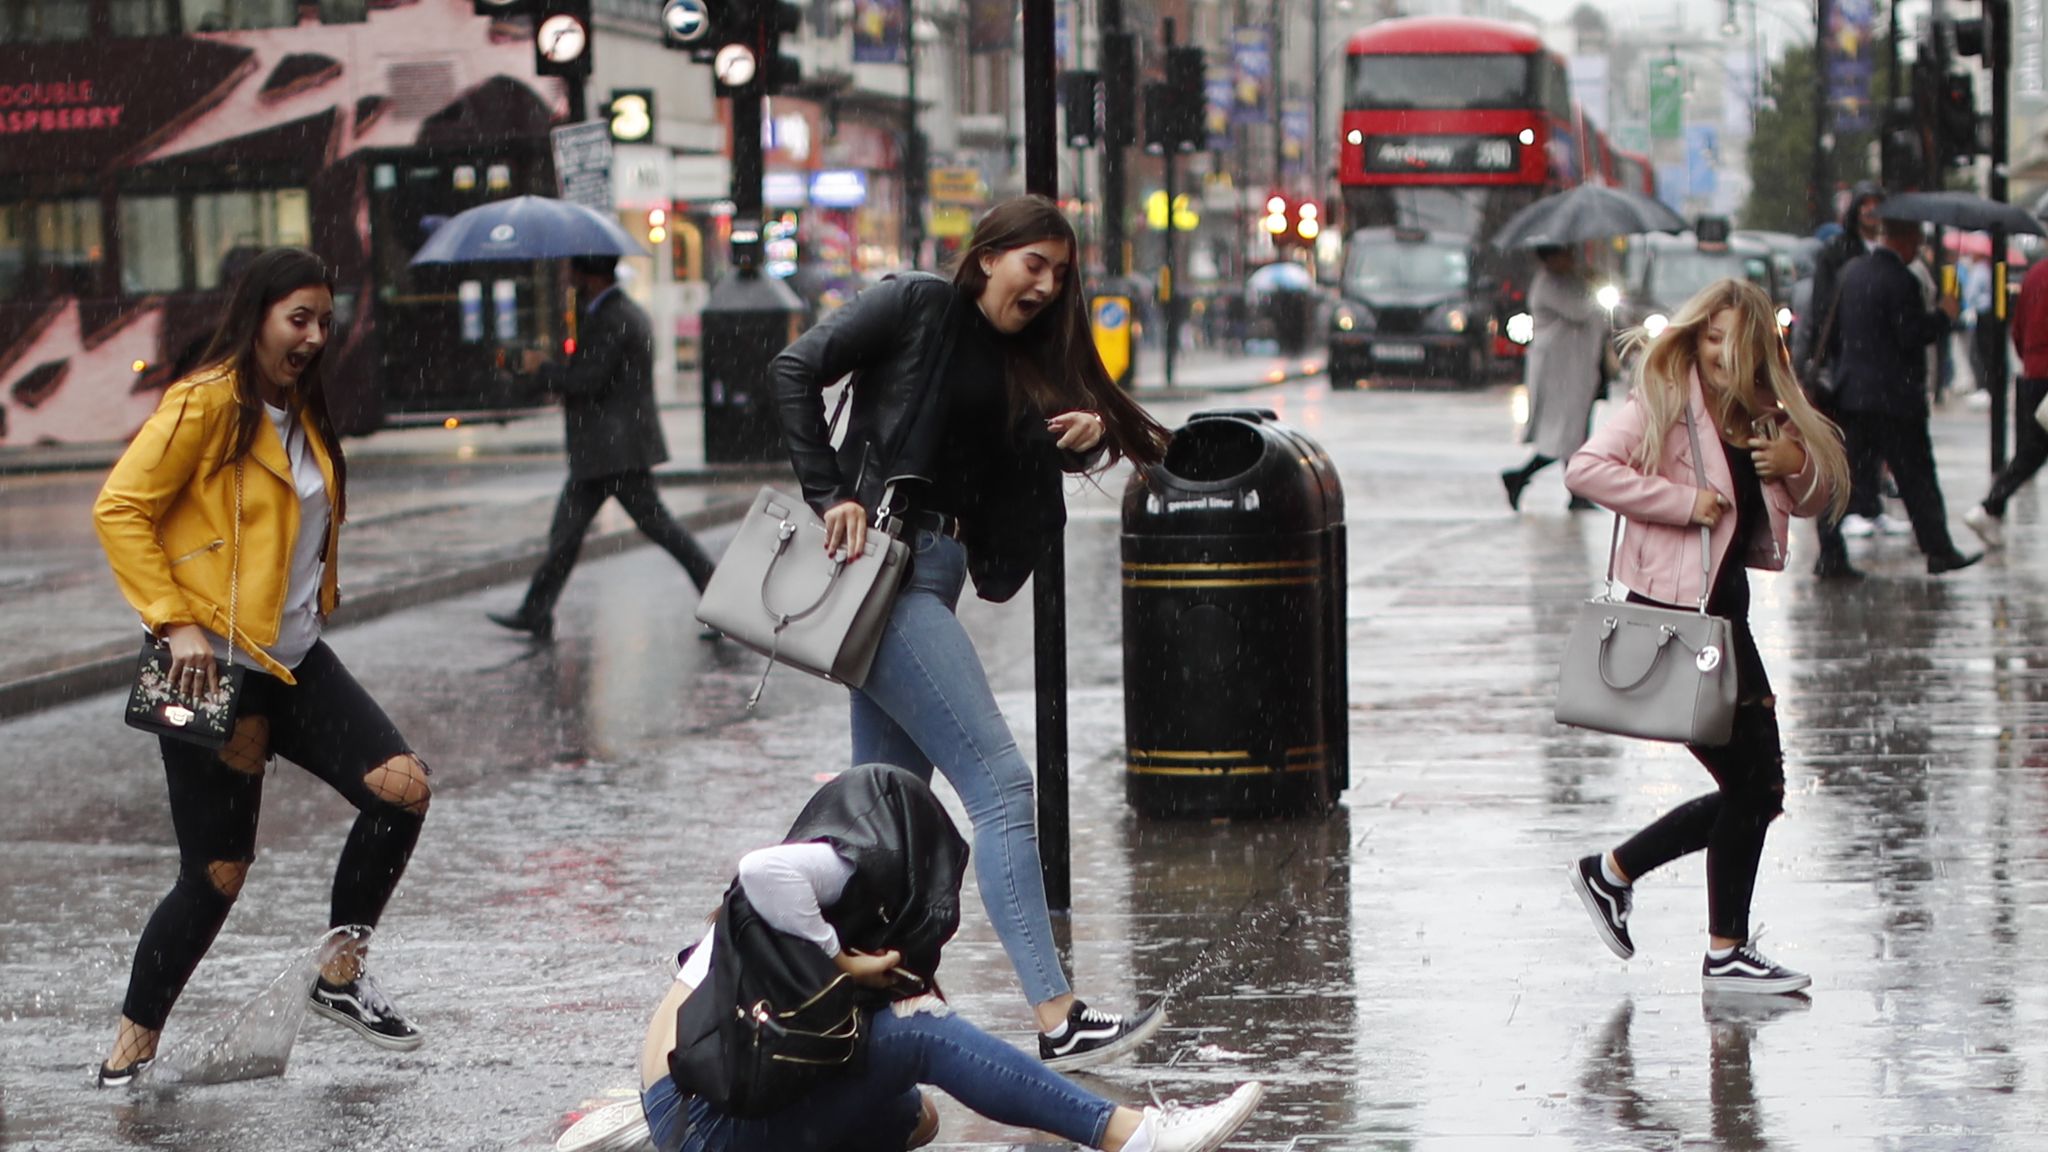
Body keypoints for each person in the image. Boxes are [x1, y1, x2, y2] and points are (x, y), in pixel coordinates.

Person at [768, 196, 1171, 1068]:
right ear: (986, 255)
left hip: (935, 576)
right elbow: (793, 369)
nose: (1048, 284)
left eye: (1061, 274)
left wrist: (1083, 440)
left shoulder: (1019, 361)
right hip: (889, 571)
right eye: (1035, 262)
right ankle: (1057, 1014)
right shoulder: (913, 303)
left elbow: (1002, 479)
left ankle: (793, 997)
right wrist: (829, 491)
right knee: (1000, 785)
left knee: (880, 824)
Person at [92, 248, 432, 1085]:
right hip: (209, 669)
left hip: (293, 662)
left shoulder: (302, 407)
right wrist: (175, 624)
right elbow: (120, 508)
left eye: (325, 319)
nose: (315, 336)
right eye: (298, 319)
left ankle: (339, 976)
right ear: (257, 318)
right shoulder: (207, 404)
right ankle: (128, 1053)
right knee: (215, 876)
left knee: (402, 791)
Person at [637, 765, 1264, 1152]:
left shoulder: (777, 922)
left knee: (915, 1116)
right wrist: (841, 963)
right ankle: (1136, 1135)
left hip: (693, 1105)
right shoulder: (833, 868)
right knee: (920, 1035)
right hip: (697, 1121)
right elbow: (760, 866)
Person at [1563, 278, 1850, 995]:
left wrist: (1798, 465)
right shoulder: (1666, 401)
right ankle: (1710, 941)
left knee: (1758, 786)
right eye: (1712, 338)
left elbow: (1808, 502)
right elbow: (1587, 468)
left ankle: (1619, 877)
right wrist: (1682, 501)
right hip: (1678, 621)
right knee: (1755, 787)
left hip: (1728, 620)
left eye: (1736, 342)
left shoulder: (1762, 414)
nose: (1721, 354)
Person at [489, 255, 717, 641]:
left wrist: (542, 367)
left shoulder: (612, 318)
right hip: (610, 449)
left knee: (656, 528)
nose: (569, 278)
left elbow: (587, 380)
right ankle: (535, 611)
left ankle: (720, 602)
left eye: (574, 272)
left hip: (613, 451)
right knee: (568, 533)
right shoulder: (623, 311)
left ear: (587, 275)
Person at [1828, 217, 1980, 574]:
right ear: (1906, 238)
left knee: (1843, 475)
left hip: (1852, 394)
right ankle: (1938, 550)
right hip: (1894, 400)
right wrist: (1943, 316)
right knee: (1917, 478)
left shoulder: (1852, 272)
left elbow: (1832, 327)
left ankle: (1830, 551)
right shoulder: (1901, 280)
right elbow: (1910, 335)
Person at [1798, 184, 1886, 577]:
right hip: (1840, 377)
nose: (1872, 216)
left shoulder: (1885, 256)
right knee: (1835, 466)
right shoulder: (1837, 256)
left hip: (1873, 378)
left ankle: (1851, 529)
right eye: (1866, 210)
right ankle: (1831, 549)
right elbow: (1822, 316)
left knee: (1862, 465)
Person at [1502, 244, 1607, 512]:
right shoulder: (1549, 284)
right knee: (1563, 434)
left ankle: (1575, 492)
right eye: (1565, 254)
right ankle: (1522, 476)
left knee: (1573, 432)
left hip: (1578, 367)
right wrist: (1594, 286)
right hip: (1559, 371)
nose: (1570, 259)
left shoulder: (1567, 280)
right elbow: (1582, 310)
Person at [1964, 254, 2048, 550]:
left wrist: (2030, 361)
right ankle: (1990, 507)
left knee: (2032, 451)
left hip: (2033, 376)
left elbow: (2018, 328)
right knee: (2033, 452)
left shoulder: (2035, 274)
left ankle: (1991, 507)